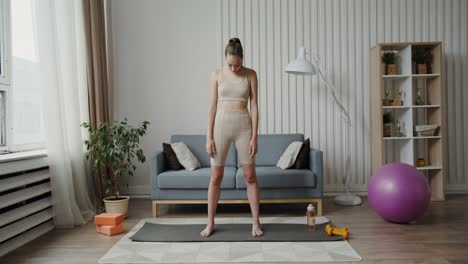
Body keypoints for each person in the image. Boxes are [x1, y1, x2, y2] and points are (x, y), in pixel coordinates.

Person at [201, 37, 263, 237]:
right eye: (230, 64)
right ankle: (210, 223)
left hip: (244, 126)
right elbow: (212, 106)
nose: (234, 68)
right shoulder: (217, 74)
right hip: (220, 126)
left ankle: (255, 223)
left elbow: (254, 106)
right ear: (225, 59)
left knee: (250, 176)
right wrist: (208, 136)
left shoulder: (251, 74)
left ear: (242, 59)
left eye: (237, 65)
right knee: (216, 177)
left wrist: (254, 136)